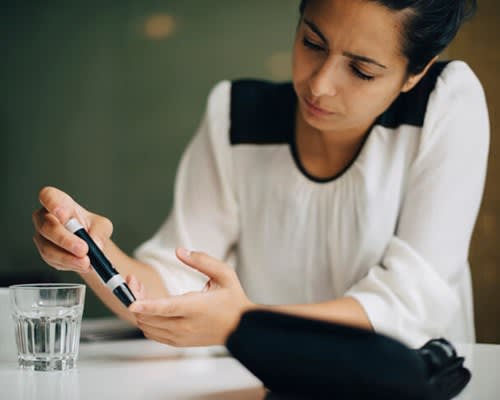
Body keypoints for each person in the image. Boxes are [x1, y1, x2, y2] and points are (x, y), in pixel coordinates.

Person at [32, 0, 488, 348]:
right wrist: (91, 252)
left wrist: (244, 323)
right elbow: (172, 286)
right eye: (312, 42)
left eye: (362, 70)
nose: (320, 83)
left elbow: (412, 302)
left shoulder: (446, 103)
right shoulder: (235, 117)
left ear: (415, 72)